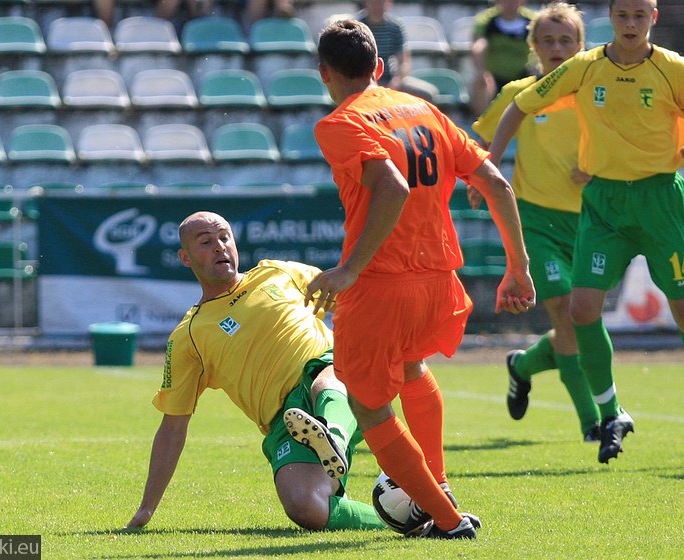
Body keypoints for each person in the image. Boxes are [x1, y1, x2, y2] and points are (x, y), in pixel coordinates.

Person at [308, 20, 535, 539]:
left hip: (383, 283)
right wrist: (517, 266)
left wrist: (349, 269)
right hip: (438, 275)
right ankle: (441, 487)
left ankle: (449, 520)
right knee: (412, 369)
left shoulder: (340, 123)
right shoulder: (423, 109)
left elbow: (391, 185)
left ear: (324, 73)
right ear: (380, 67)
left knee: (368, 405)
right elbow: (497, 184)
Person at [486, 0, 684, 465]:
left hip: (660, 201)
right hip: (603, 204)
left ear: (653, 18)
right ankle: (609, 415)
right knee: (580, 311)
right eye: (622, 15)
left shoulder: (672, 68)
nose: (630, 24)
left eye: (639, 15)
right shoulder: (585, 67)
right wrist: (490, 162)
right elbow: (519, 105)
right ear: (611, 16)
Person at [125, 211, 386, 532]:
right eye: (206, 242)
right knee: (306, 506)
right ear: (186, 257)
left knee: (326, 374)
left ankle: (334, 434)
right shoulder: (188, 335)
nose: (220, 247)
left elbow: (351, 300)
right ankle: (400, 521)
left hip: (335, 375)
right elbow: (172, 428)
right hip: (287, 421)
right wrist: (147, 508)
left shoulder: (278, 272)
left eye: (224, 238)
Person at [472, 3, 600, 442]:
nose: (557, 49)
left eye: (566, 41)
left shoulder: (596, 94)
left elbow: (624, 143)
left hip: (592, 223)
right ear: (534, 46)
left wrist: (596, 168)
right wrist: (481, 176)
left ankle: (523, 365)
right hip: (537, 222)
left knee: (582, 323)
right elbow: (485, 140)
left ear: (580, 46)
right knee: (565, 315)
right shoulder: (519, 93)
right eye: (547, 41)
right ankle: (593, 423)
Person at [356, 0, 439, 102]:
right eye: (374, 2)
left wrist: (396, 81)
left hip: (390, 79)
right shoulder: (357, 27)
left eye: (380, 2)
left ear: (388, 3)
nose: (377, 5)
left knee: (427, 93)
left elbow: (403, 61)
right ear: (366, 3)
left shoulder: (394, 27)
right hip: (364, 82)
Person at [469, 0, 537, 115]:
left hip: (523, 75)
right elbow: (479, 45)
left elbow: (541, 45)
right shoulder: (487, 20)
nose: (510, 3)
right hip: (494, 77)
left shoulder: (532, 20)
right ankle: (482, 124)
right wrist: (481, 71)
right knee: (480, 84)